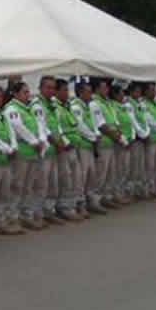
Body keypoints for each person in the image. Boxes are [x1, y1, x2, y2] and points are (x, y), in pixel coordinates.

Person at [5, 82, 47, 230]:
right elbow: (19, 127)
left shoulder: (27, 108)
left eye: (28, 92)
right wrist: (34, 141)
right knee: (17, 186)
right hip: (22, 152)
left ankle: (26, 215)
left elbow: (39, 124)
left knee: (29, 186)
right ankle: (12, 217)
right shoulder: (12, 109)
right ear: (15, 94)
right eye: (24, 92)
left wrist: (41, 140)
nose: (28, 95)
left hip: (33, 152)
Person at [0, 84, 24, 236]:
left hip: (7, 160)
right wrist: (7, 149)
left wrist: (13, 146)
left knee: (4, 193)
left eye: (0, 96)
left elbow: (11, 132)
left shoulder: (2, 114)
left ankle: (0, 222)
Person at [30, 77, 67, 225]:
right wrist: (56, 141)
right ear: (40, 88)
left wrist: (62, 141)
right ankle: (37, 214)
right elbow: (42, 126)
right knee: (41, 184)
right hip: (45, 150)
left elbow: (56, 125)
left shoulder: (51, 104)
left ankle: (48, 211)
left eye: (53, 88)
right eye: (48, 87)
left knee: (53, 183)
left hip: (54, 150)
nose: (51, 90)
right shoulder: (37, 105)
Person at [70, 81, 106, 215]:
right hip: (83, 145)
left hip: (91, 145)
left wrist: (97, 134)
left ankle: (91, 201)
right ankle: (80, 204)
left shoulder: (89, 105)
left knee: (92, 174)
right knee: (82, 176)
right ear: (80, 93)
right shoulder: (76, 107)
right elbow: (80, 126)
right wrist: (93, 137)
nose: (91, 94)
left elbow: (95, 122)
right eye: (88, 92)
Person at [54, 78, 86, 221]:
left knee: (75, 178)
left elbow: (75, 125)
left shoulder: (67, 106)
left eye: (68, 90)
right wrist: (66, 143)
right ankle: (65, 207)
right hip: (64, 148)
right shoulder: (56, 108)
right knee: (66, 178)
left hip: (74, 146)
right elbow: (57, 128)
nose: (67, 93)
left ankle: (73, 205)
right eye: (64, 90)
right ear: (57, 91)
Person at [89, 79, 124, 209]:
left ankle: (106, 197)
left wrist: (118, 132)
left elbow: (114, 120)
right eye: (103, 88)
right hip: (103, 142)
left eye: (107, 88)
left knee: (110, 172)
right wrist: (114, 134)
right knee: (101, 173)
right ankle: (94, 200)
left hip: (111, 142)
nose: (107, 90)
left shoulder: (107, 102)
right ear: (97, 89)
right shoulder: (95, 103)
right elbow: (100, 124)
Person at [127, 83, 151, 199]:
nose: (139, 93)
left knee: (141, 165)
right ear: (131, 92)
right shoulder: (128, 104)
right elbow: (133, 121)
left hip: (143, 137)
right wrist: (143, 134)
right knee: (134, 165)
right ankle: (131, 191)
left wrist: (146, 132)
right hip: (136, 138)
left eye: (139, 91)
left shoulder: (140, 103)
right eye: (136, 91)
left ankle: (139, 189)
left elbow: (145, 119)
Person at [112, 85, 135, 203]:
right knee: (119, 169)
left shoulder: (123, 107)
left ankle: (122, 192)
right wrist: (124, 140)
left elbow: (130, 123)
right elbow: (116, 126)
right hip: (120, 142)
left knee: (126, 169)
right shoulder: (113, 107)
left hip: (128, 141)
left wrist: (132, 137)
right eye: (121, 94)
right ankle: (117, 194)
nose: (123, 96)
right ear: (115, 95)